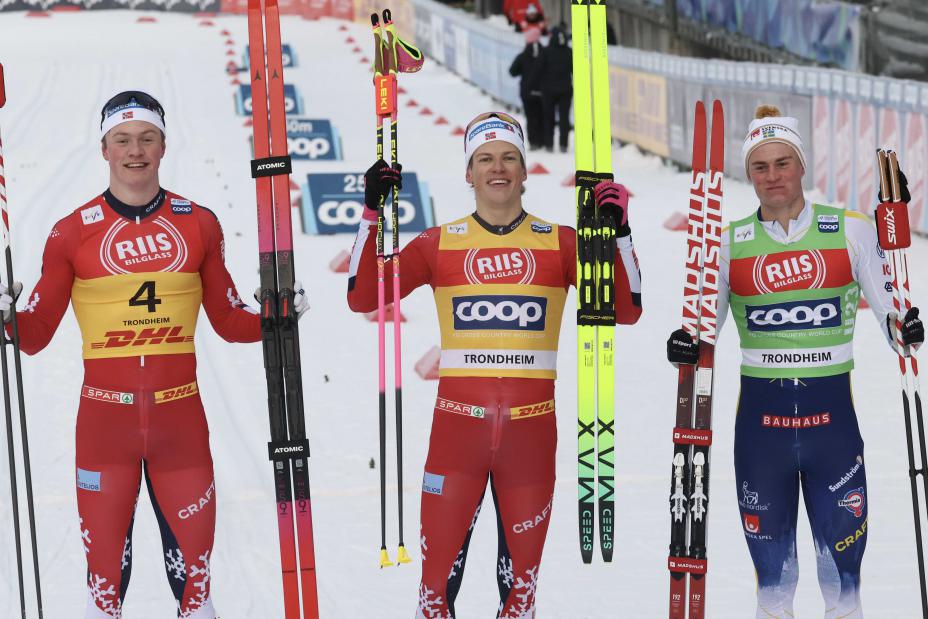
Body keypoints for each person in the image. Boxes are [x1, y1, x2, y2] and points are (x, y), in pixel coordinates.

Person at [0, 91, 307, 618]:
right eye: (122, 140)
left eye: (146, 138)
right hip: (104, 428)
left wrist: (276, 317)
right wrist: (7, 319)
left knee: (196, 587)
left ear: (164, 145)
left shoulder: (199, 223)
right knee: (103, 588)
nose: (135, 151)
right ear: (104, 149)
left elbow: (230, 321)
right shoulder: (71, 232)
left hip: (179, 426)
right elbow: (36, 333)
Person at [347, 112, 642, 618]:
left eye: (509, 158)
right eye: (485, 159)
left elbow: (627, 309)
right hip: (456, 437)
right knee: (433, 595)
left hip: (530, 440)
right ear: (469, 172)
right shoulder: (439, 242)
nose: (497, 168)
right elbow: (361, 296)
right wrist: (372, 212)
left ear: (525, 170)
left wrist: (619, 237)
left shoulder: (561, 241)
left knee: (521, 596)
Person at [666, 105, 925, 618]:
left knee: (842, 582)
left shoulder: (849, 231)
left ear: (802, 165)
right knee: (773, 586)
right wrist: (683, 345)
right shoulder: (728, 244)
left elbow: (896, 326)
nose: (773, 176)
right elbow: (700, 335)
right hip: (762, 438)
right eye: (760, 167)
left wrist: (907, 328)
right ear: (748, 173)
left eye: (783, 163)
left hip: (833, 433)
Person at [509, 31, 545, 151]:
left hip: (527, 92)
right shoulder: (545, 54)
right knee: (542, 116)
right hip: (543, 91)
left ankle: (533, 141)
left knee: (530, 117)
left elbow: (512, 71)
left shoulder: (522, 56)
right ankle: (542, 141)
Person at [539, 27, 572, 153]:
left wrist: (533, 86)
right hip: (566, 89)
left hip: (548, 90)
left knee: (549, 117)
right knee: (564, 118)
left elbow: (538, 69)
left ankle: (549, 144)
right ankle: (564, 144)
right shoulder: (569, 52)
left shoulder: (546, 51)